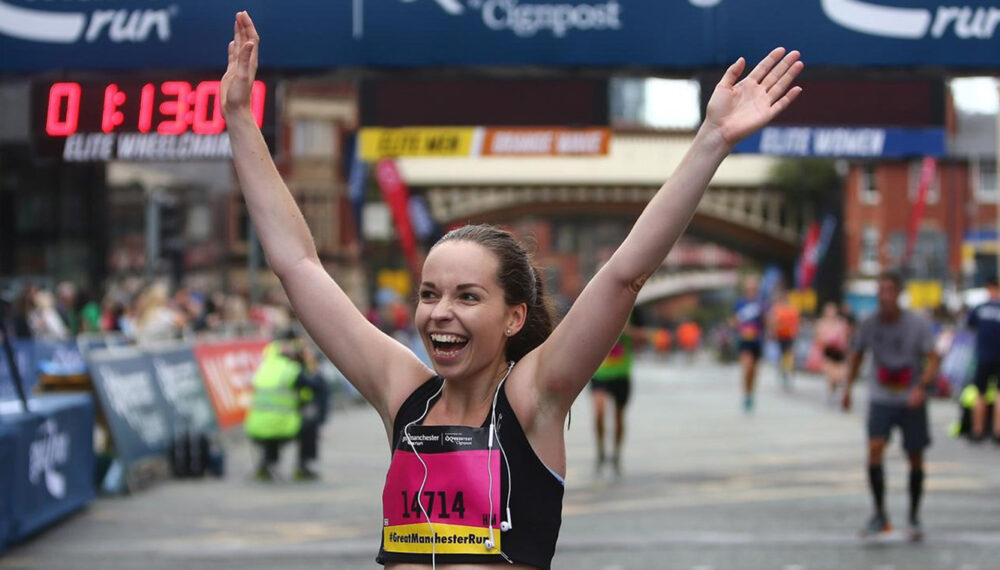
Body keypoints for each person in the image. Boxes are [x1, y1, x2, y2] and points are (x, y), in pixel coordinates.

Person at [222, 11, 802, 566]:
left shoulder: (534, 400)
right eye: (429, 295)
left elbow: (626, 275)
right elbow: (298, 265)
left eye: (467, 296)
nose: (439, 313)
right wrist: (240, 118)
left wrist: (711, 141)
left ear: (514, 318)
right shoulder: (404, 396)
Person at [843, 272, 940, 542]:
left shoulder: (917, 323)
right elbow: (857, 356)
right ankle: (879, 513)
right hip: (881, 396)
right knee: (874, 448)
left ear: (898, 294)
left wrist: (922, 387)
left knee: (915, 456)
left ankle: (913, 515)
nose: (884, 296)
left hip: (911, 398)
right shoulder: (868, 324)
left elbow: (933, 357)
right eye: (880, 291)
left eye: (889, 290)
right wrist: (847, 389)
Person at [244, 330, 323, 481]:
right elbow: (315, 386)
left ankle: (266, 465)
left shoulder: (263, 368)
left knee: (272, 425)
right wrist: (311, 364)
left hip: (255, 427)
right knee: (309, 424)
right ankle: (303, 467)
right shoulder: (290, 370)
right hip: (280, 426)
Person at [590, 310, 644, 478]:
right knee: (599, 410)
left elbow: (642, 337)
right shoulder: (598, 305)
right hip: (600, 373)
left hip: (621, 373)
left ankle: (616, 453)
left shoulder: (635, 310)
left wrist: (626, 330)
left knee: (619, 417)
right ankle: (600, 450)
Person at [966, 277, 1000, 442]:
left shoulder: (979, 308)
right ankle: (997, 431)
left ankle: (978, 430)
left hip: (983, 356)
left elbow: (970, 326)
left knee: (980, 394)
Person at [733, 276, 765, 412]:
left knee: (754, 371)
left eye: (754, 287)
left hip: (757, 341)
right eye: (749, 287)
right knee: (747, 366)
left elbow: (766, 321)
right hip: (744, 341)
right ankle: (746, 394)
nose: (751, 289)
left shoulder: (761, 303)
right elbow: (735, 321)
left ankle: (750, 392)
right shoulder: (740, 303)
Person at [815, 301, 850, 404]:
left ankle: (835, 388)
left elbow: (845, 337)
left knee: (840, 375)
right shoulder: (821, 323)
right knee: (830, 374)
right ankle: (831, 390)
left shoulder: (841, 323)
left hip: (839, 352)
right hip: (828, 351)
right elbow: (818, 338)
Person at [768, 289, 800, 390]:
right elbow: (773, 322)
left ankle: (787, 371)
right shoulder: (777, 309)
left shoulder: (793, 310)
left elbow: (796, 324)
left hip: (790, 336)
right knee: (783, 354)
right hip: (781, 336)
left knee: (789, 354)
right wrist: (773, 332)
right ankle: (784, 372)